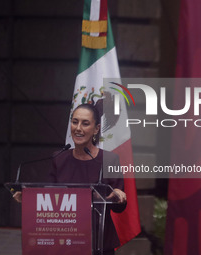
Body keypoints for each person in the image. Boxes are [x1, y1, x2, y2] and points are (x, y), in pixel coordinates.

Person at [14, 103, 127, 254]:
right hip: (65, 241)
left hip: (99, 243)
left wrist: (118, 197)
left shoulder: (109, 159)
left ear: (96, 129)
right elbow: (50, 198)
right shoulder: (59, 158)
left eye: (85, 123)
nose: (78, 128)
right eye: (75, 122)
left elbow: (119, 207)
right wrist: (29, 199)